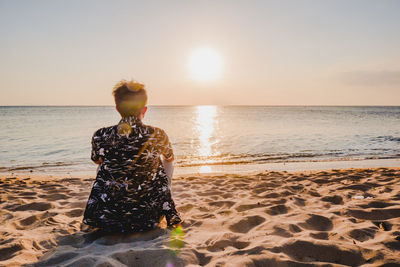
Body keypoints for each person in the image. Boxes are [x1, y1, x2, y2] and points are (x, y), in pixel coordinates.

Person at [83, 80, 182, 232]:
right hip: (148, 219)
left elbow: (97, 161)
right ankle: (164, 205)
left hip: (107, 219)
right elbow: (170, 158)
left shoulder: (100, 135)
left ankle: (109, 207)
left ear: (117, 109)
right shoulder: (157, 134)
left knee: (103, 165)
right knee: (167, 162)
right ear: (145, 109)